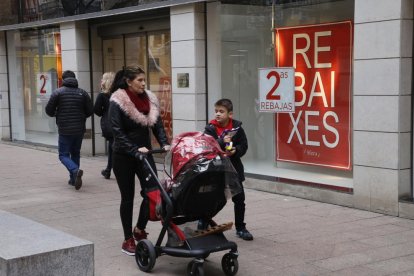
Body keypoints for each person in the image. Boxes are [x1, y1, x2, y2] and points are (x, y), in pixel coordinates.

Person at [108, 65, 170, 256]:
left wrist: (165, 143)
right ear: (128, 81)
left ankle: (139, 229)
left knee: (152, 193)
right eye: (140, 80)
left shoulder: (150, 99)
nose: (144, 83)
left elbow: (157, 124)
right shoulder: (117, 101)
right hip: (124, 155)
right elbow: (116, 132)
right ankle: (127, 239)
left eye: (144, 80)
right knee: (127, 198)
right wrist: (135, 150)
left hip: (145, 154)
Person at [200, 98, 253, 240]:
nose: (217, 114)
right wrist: (221, 141)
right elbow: (207, 147)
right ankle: (203, 221)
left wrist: (235, 150)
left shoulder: (237, 128)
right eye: (216, 111)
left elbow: (244, 145)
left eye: (221, 112)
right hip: (216, 170)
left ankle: (241, 228)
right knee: (216, 199)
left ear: (230, 114)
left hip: (234, 169)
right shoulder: (209, 128)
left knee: (239, 199)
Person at [45, 70, 93, 190]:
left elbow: (48, 110)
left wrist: (57, 113)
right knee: (75, 153)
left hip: (65, 129)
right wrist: (80, 117)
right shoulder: (83, 93)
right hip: (79, 129)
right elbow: (90, 111)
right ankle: (73, 179)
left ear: (63, 79)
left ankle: (74, 170)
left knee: (63, 155)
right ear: (74, 79)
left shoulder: (58, 93)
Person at [94, 72, 115, 179]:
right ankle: (108, 169)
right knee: (114, 146)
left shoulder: (102, 95)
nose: (101, 80)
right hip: (118, 123)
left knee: (113, 147)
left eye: (102, 79)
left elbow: (96, 110)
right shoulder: (118, 94)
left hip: (108, 124)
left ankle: (109, 170)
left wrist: (104, 113)